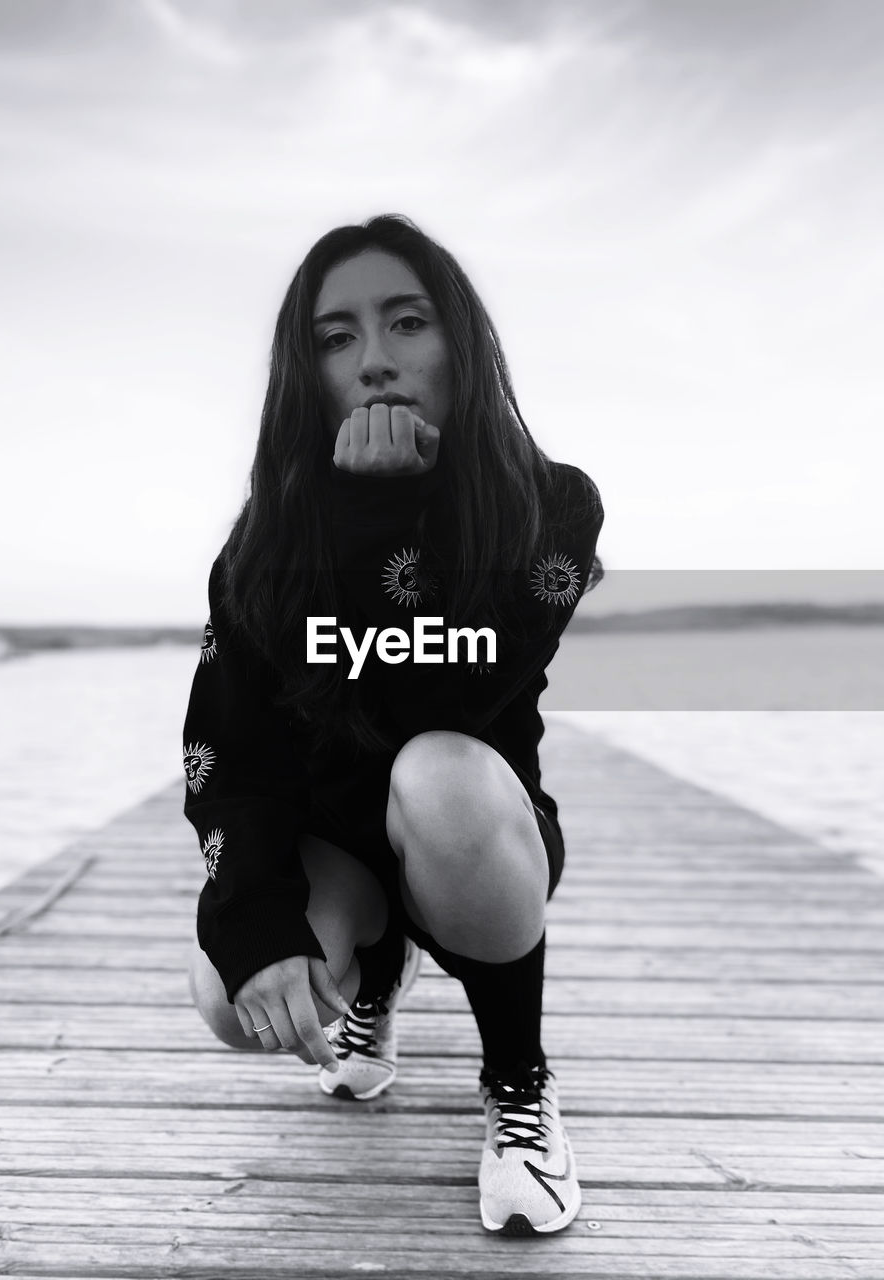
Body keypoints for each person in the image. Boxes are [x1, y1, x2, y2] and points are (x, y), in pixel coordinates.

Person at [183, 213, 604, 1236]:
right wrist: (260, 923)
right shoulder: (264, 542)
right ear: (307, 371)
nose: (373, 361)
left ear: (461, 342)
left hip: (471, 827)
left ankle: (518, 1079)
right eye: (336, 337)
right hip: (341, 847)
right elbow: (226, 751)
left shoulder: (551, 508)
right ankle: (372, 973)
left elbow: (453, 689)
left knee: (437, 769)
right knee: (223, 992)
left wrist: (383, 516)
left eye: (406, 322)